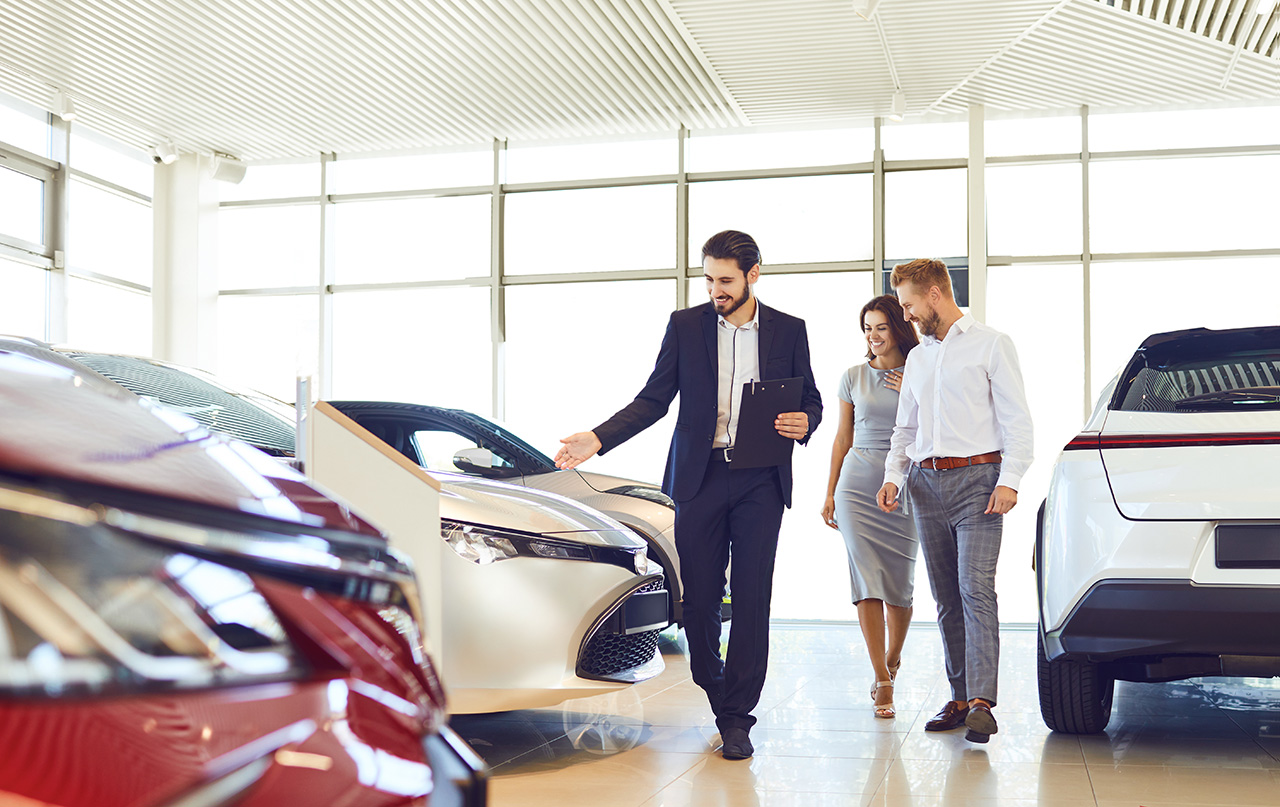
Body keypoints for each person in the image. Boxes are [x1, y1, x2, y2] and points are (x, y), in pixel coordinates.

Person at [556, 229, 822, 761]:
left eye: (725, 280)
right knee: (699, 599)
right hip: (700, 478)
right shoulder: (685, 325)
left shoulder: (789, 330)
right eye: (708, 280)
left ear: (753, 275)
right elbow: (653, 399)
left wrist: (806, 421)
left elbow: (810, 398)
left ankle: (737, 716)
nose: (715, 290)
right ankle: (716, 686)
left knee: (752, 596)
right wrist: (599, 438)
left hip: (761, 478)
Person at [875, 258, 1033, 744]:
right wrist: (893, 476)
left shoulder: (992, 344)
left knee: (974, 588)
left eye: (909, 305)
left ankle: (983, 702)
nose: (906, 316)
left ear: (935, 295)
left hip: (979, 484)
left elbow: (1017, 421)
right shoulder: (919, 358)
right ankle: (961, 698)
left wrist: (1010, 480)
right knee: (946, 597)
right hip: (925, 484)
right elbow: (905, 428)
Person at [820, 294, 920, 719]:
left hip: (906, 486)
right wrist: (829, 492)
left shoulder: (921, 370)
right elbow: (842, 437)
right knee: (865, 579)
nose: (873, 336)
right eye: (867, 328)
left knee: (900, 584)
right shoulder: (853, 376)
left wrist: (916, 389)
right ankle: (881, 676)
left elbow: (940, 428)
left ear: (898, 327)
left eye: (881, 327)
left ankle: (893, 658)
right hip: (857, 486)